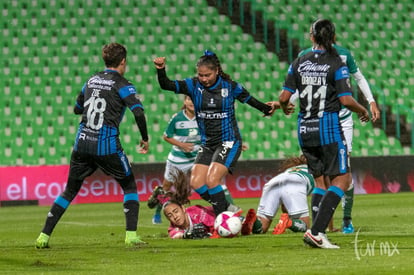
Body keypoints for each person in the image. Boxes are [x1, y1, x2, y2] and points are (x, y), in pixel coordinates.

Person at [35, 43, 149, 248]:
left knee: (69, 191)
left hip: (82, 143)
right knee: (129, 186)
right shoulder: (123, 84)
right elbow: (138, 112)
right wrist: (145, 138)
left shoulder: (91, 80)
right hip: (106, 146)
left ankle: (43, 236)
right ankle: (131, 236)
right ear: (123, 61)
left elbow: (77, 108)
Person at [277, 19, 370, 248]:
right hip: (328, 127)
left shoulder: (299, 61)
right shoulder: (337, 63)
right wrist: (362, 110)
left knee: (320, 181)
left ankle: (314, 231)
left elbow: (283, 98)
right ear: (333, 38)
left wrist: (285, 107)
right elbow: (346, 100)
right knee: (343, 178)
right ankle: (317, 232)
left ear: (312, 37)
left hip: (304, 129)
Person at [153, 50, 275, 216]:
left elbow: (251, 101)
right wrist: (161, 69)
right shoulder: (193, 85)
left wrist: (268, 109)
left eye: (207, 75)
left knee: (212, 180)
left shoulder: (230, 87)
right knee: (196, 182)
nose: (204, 79)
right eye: (201, 75)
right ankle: (228, 209)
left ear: (217, 71)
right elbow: (166, 85)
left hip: (228, 140)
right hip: (208, 144)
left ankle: (221, 219)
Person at [147, 96, 235, 224]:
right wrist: (181, 145)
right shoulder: (177, 118)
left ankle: (229, 209)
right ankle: (158, 212)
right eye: (189, 99)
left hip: (198, 158)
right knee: (166, 188)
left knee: (214, 180)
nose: (191, 102)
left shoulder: (204, 118)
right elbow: (166, 137)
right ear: (184, 101)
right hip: (178, 159)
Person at [241, 155, 314, 236]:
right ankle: (288, 222)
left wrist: (287, 214)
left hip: (273, 182)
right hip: (295, 183)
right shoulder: (317, 170)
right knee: (305, 226)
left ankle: (253, 221)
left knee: (262, 228)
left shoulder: (292, 169)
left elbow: (285, 204)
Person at [162, 170, 216, 239]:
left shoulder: (198, 212)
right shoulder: (173, 227)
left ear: (183, 208)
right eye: (170, 215)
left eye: (176, 211)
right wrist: (186, 234)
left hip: (222, 214)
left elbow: (216, 226)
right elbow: (176, 236)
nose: (175, 216)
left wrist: (210, 235)